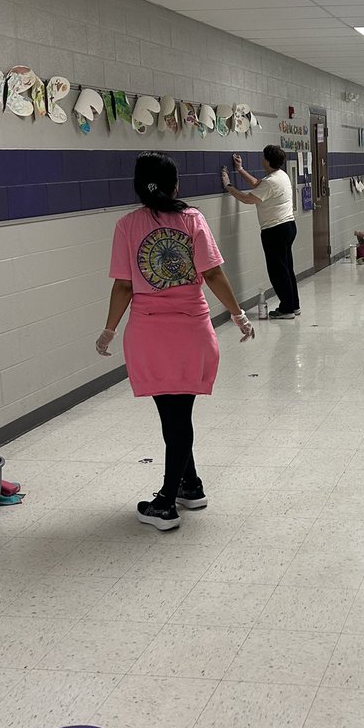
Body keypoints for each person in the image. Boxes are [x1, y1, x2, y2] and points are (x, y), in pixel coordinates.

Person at [96, 153, 254, 532]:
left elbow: (123, 285)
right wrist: (238, 314)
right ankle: (190, 485)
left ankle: (166, 502)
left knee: (174, 417)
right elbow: (213, 273)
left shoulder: (126, 225)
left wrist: (109, 329)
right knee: (178, 416)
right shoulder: (193, 219)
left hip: (149, 335)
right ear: (175, 186)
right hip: (192, 331)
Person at [222, 146, 299, 319]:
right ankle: (294, 306)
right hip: (288, 227)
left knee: (278, 272)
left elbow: (247, 198)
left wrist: (228, 186)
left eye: (263, 157)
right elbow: (258, 184)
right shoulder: (281, 176)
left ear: (267, 160)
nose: (261, 159)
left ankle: (286, 309)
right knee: (287, 269)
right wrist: (240, 169)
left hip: (275, 230)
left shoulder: (271, 181)